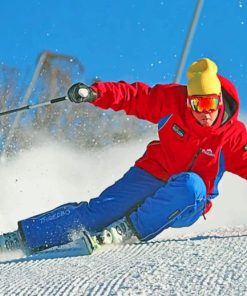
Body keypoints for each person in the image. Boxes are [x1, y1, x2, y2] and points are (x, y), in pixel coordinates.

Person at [1, 58, 246, 254]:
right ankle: (20, 238)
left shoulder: (233, 136)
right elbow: (136, 97)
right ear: (188, 101)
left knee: (190, 185)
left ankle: (127, 229)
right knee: (99, 212)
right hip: (153, 171)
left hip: (186, 202)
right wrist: (96, 93)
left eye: (210, 104)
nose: (205, 113)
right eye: (197, 105)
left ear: (219, 101)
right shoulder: (173, 101)